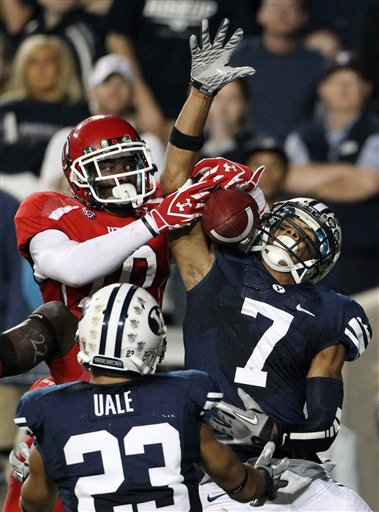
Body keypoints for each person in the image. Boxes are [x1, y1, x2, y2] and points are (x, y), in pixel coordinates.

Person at [159, 19, 373, 511]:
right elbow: (173, 186)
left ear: (322, 261)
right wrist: (200, 96)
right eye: (289, 226)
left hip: (289, 469)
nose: (291, 238)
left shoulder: (331, 311)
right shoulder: (216, 270)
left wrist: (271, 429)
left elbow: (320, 427)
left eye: (305, 237)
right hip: (212, 466)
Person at [13, 17, 254, 384]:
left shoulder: (158, 206)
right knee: (51, 319)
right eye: (108, 166)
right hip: (75, 374)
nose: (123, 175)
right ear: (78, 175)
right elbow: (73, 268)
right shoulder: (50, 208)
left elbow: (178, 165)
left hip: (144, 370)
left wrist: (251, 192)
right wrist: (154, 222)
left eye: (129, 163)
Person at [12, 283, 288, 512]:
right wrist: (264, 479)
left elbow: (34, 505)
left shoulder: (53, 411)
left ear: (83, 337)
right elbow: (238, 483)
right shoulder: (179, 398)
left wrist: (36, 475)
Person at [284, 54, 379, 295]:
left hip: (364, 251)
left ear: (366, 88)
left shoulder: (375, 131)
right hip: (309, 250)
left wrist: (315, 185)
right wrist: (346, 173)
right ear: (322, 90)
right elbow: (290, 178)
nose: (344, 88)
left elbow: (369, 183)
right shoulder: (303, 134)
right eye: (336, 81)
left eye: (351, 81)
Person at [38, 53, 165, 193]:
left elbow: (156, 196)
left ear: (133, 94)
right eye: (106, 82)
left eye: (121, 83)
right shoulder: (65, 139)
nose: (114, 90)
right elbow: (47, 194)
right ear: (91, 92)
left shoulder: (149, 143)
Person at [0, 33, 90, 200]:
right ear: (23, 68)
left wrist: (30, 153)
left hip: (60, 190)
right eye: (33, 62)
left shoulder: (80, 114)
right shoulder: (8, 108)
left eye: (48, 61)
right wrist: (46, 150)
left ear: (62, 67)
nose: (41, 69)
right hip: (11, 187)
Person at [230, 0, 326, 142]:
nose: (282, 14)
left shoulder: (318, 62)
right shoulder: (239, 57)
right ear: (260, 14)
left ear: (303, 17)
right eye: (274, 6)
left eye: (290, 8)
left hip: (299, 151)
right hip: (244, 148)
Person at [243, 135, 289, 207]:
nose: (266, 173)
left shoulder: (302, 212)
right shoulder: (228, 210)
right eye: (257, 165)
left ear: (285, 172)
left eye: (274, 165)